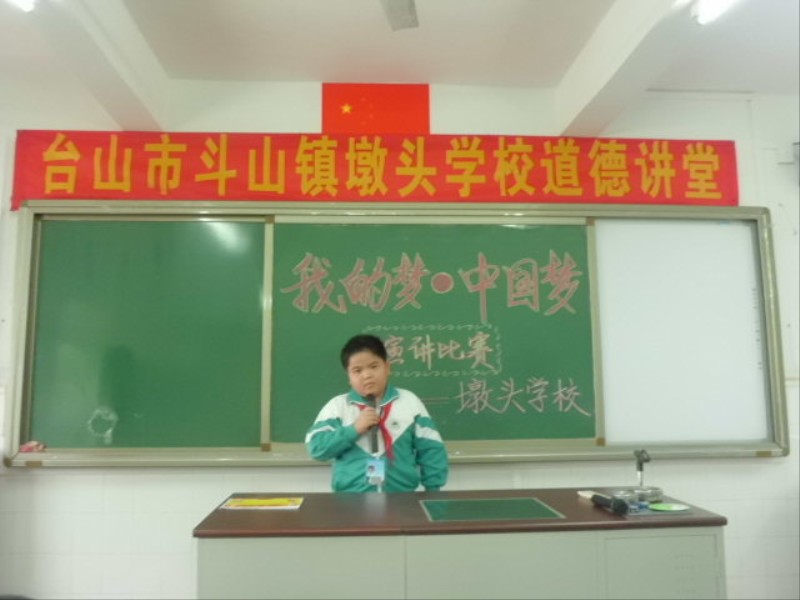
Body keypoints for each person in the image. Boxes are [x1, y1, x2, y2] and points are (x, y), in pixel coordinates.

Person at [306, 334, 449, 493]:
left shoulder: (409, 401)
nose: (367, 375)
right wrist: (353, 429)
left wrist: (433, 492)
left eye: (374, 366)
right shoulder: (337, 407)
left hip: (402, 499)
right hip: (350, 500)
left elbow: (432, 449)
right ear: (349, 377)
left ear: (387, 368)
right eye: (357, 370)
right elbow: (317, 449)